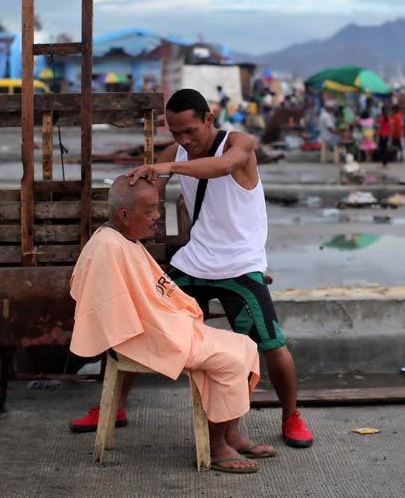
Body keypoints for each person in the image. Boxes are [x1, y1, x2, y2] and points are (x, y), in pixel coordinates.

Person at [69, 88, 314, 449]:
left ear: (209, 120)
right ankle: (115, 405)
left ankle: (291, 414)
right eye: (175, 133)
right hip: (193, 263)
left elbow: (221, 168)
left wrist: (167, 166)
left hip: (240, 265)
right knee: (134, 320)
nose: (184, 140)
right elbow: (145, 186)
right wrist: (127, 196)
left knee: (272, 342)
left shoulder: (238, 144)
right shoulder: (179, 152)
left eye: (190, 131)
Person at [69, 176, 271, 473]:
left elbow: (148, 297)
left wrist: (175, 317)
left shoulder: (124, 239)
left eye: (157, 208)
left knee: (246, 346)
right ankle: (216, 449)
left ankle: (230, 434)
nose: (156, 217)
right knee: (228, 360)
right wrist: (169, 325)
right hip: (144, 338)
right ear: (125, 215)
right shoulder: (107, 247)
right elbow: (113, 315)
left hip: (162, 327)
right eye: (150, 210)